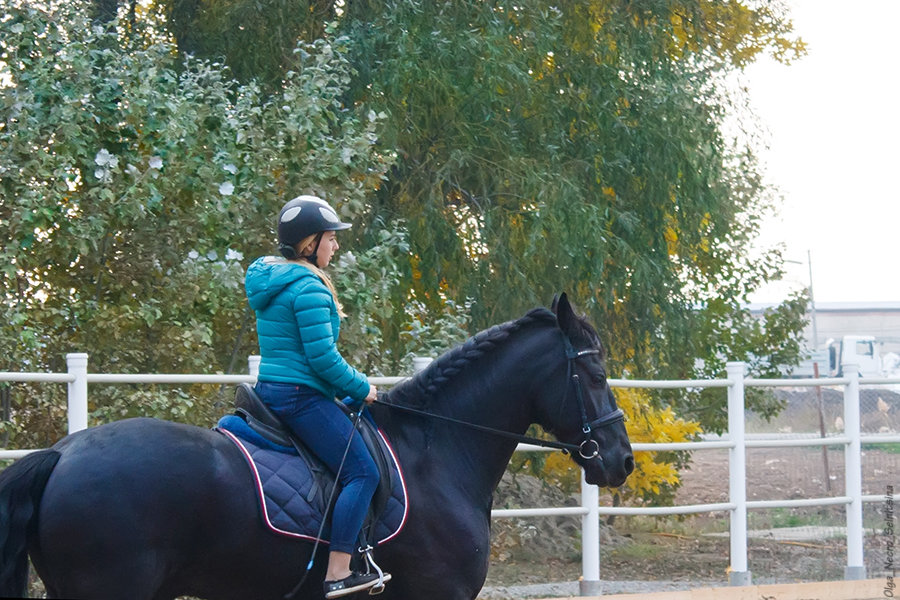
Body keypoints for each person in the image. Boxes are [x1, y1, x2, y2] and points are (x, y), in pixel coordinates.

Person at [244, 195, 390, 598]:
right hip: (300, 397)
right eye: (331, 238)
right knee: (363, 473)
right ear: (309, 243)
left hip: (271, 390)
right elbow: (322, 359)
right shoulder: (308, 286)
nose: (336, 246)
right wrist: (364, 388)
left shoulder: (271, 280)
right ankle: (339, 573)